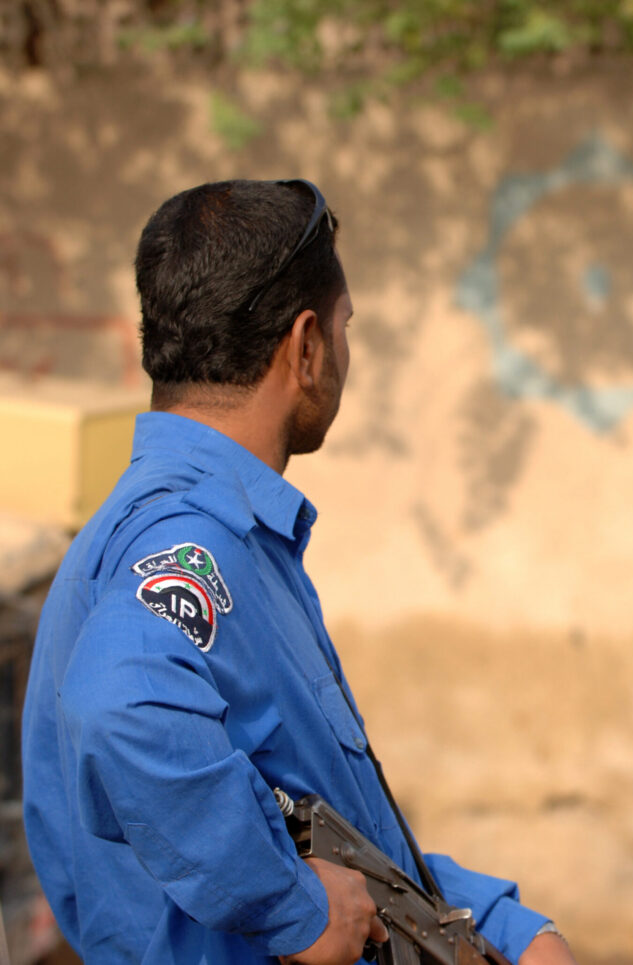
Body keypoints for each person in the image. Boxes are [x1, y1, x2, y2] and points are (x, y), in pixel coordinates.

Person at [21, 179, 577, 965]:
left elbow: (332, 832)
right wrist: (291, 907)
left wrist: (509, 930)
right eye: (347, 327)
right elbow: (122, 706)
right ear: (306, 345)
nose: (346, 351)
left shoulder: (230, 538)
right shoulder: (188, 543)